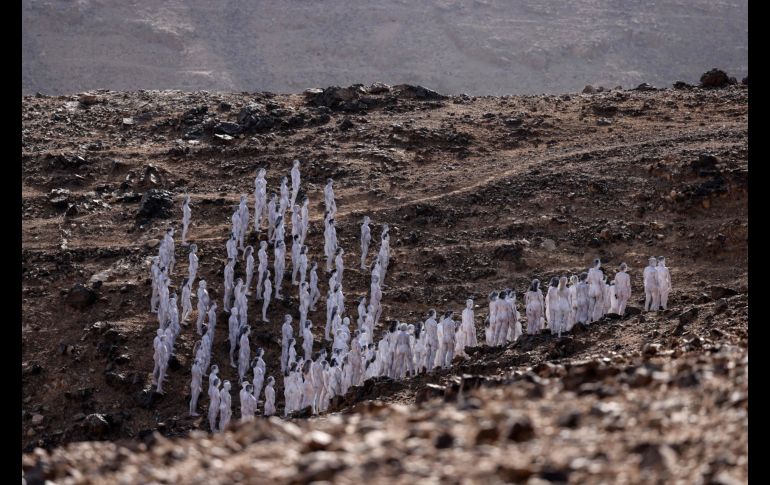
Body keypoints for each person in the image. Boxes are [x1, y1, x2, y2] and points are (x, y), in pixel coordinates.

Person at [254, 168, 267, 232]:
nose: (263, 173)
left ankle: (260, 225)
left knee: (264, 214)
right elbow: (256, 192)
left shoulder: (262, 179)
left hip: (263, 198)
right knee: (258, 214)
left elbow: (264, 188)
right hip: (259, 199)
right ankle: (256, 228)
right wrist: (258, 201)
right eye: (261, 172)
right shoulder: (258, 180)